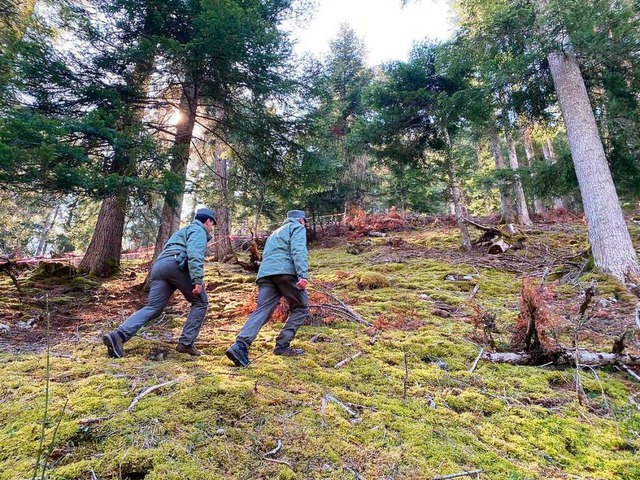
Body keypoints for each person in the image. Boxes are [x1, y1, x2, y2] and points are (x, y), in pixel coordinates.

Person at [102, 208, 216, 358]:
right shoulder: (198, 230)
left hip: (159, 267)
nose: (211, 228)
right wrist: (197, 280)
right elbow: (195, 254)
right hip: (176, 266)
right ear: (207, 221)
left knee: (154, 307)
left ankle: (119, 336)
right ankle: (186, 343)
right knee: (201, 302)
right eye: (212, 224)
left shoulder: (184, 230)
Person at [225, 210, 309, 367]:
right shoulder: (297, 228)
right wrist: (303, 275)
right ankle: (282, 345)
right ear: (301, 220)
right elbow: (299, 250)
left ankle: (240, 346)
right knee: (301, 306)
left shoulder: (274, 233)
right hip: (285, 273)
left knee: (262, 310)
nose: (304, 224)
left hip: (266, 275)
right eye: (304, 221)